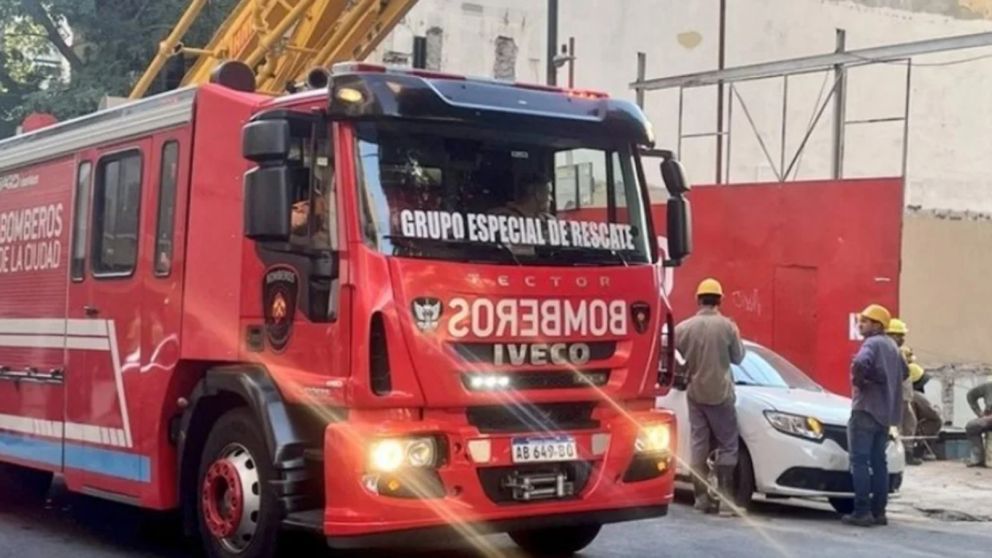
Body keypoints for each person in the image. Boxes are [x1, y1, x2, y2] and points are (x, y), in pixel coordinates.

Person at [675, 278, 746, 517]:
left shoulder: (684, 328)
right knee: (727, 444)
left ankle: (701, 499)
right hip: (721, 394)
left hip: (695, 393)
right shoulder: (727, 327)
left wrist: (684, 372)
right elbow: (738, 358)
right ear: (720, 300)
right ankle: (726, 502)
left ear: (698, 300)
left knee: (698, 444)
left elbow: (671, 355)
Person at [843, 304, 906, 528]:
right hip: (885, 415)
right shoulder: (892, 346)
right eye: (860, 321)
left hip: (865, 410)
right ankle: (879, 512)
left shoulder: (871, 343)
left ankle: (862, 511)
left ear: (878, 325)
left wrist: (861, 381)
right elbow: (905, 372)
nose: (860, 325)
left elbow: (860, 363)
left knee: (859, 461)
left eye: (865, 322)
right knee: (879, 462)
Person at [886, 318, 921, 465]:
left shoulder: (897, 351)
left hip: (904, 397)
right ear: (892, 335)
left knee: (910, 424)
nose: (902, 339)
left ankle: (908, 452)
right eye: (900, 335)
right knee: (898, 427)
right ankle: (899, 455)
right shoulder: (890, 351)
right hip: (897, 396)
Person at [964, 380, 992, 468]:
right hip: (989, 418)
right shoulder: (988, 386)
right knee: (971, 427)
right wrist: (979, 413)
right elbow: (970, 395)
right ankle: (977, 458)